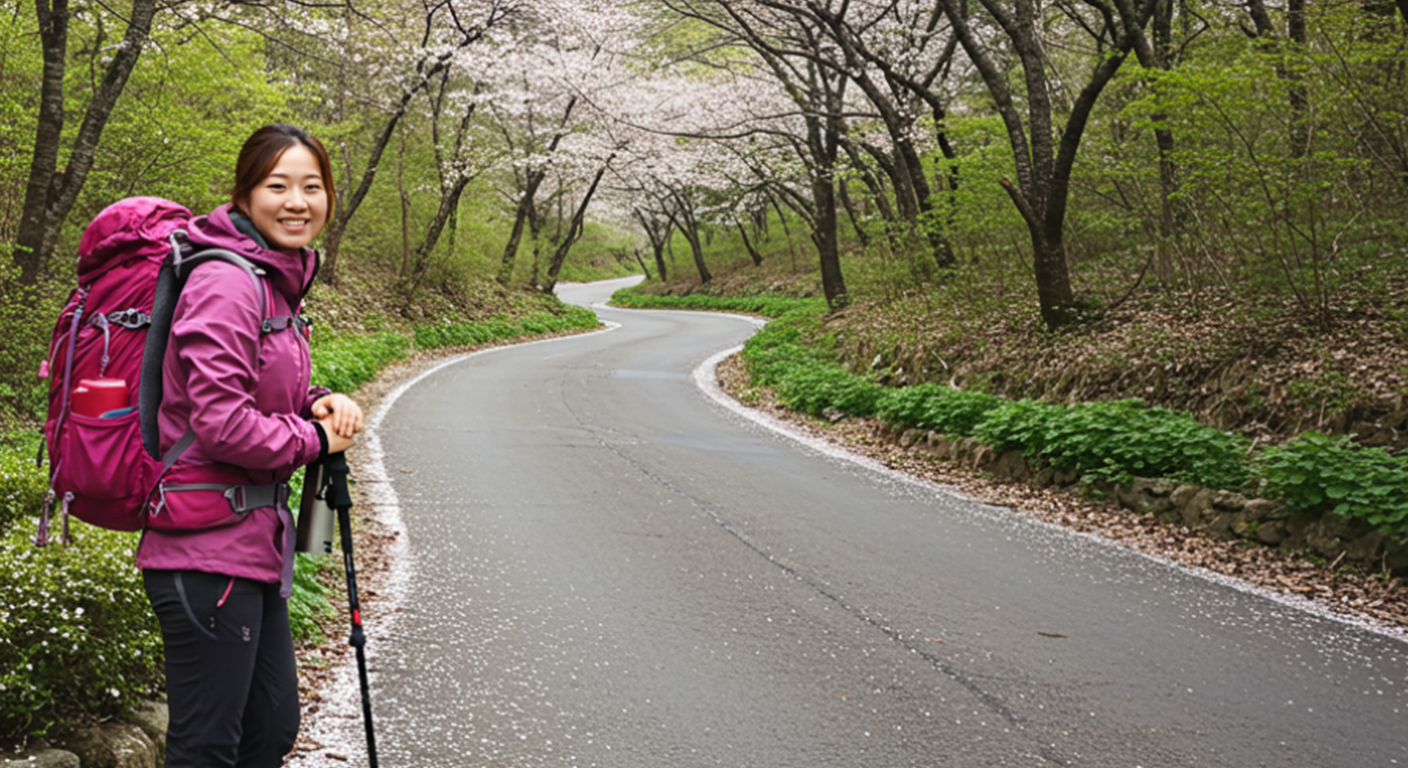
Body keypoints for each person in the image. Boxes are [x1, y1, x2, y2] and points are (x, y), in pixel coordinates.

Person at [137, 123, 363, 768]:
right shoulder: (228, 282)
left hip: (247, 543)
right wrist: (314, 436)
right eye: (278, 185)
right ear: (243, 195)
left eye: (312, 187)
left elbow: (257, 383)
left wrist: (316, 397)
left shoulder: (272, 280)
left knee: (267, 730)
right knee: (208, 747)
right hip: (203, 547)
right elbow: (221, 421)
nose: (298, 202)